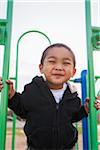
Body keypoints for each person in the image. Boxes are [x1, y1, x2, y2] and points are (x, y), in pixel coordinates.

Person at [0, 43, 100, 150]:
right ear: (41, 68)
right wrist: (12, 95)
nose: (58, 67)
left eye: (66, 63)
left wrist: (85, 109)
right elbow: (21, 108)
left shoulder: (72, 95)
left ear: (73, 72)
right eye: (52, 61)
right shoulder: (33, 90)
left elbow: (73, 116)